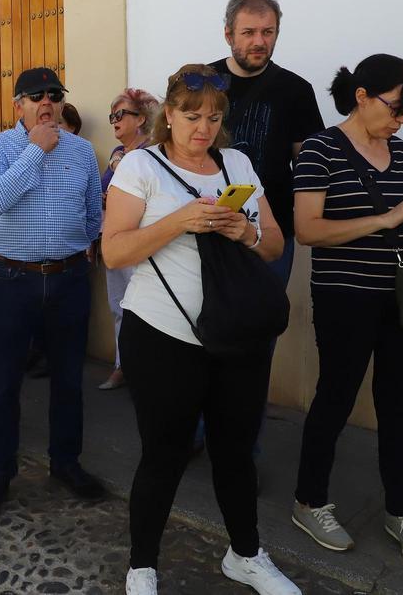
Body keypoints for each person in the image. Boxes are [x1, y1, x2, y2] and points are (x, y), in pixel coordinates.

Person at [102, 64, 298, 595]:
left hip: (236, 335)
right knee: (162, 456)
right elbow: (113, 249)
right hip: (163, 335)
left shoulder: (236, 163)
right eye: (191, 115)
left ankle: (246, 554)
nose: (203, 128)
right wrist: (177, 221)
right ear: (169, 114)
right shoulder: (140, 166)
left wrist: (245, 230)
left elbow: (276, 243)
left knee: (235, 452)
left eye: (213, 117)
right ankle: (142, 566)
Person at [292, 54, 403, 566]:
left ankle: (401, 510)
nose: (402, 119)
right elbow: (308, 230)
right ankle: (310, 500)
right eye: (397, 106)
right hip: (345, 296)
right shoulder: (320, 148)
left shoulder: (401, 151)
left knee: (397, 404)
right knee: (336, 398)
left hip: (399, 294)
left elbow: (400, 231)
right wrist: (386, 216)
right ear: (362, 96)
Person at [0, 66, 105, 517]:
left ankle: (66, 462)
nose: (45, 103)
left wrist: (78, 249)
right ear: (18, 106)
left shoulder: (84, 151)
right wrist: (34, 150)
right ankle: (0, 470)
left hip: (68, 279)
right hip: (11, 279)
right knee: (4, 381)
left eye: (53, 95)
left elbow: (93, 213)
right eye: (35, 96)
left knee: (69, 380)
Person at [209, 0, 324, 285]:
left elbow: (310, 167)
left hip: (271, 230)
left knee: (264, 320)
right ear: (228, 35)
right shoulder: (203, 82)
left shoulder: (296, 90)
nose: (259, 42)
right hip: (207, 226)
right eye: (248, 32)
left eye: (268, 32)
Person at [98, 87, 159, 391]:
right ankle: (123, 366)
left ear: (141, 118)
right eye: (112, 115)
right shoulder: (116, 154)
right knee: (118, 306)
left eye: (120, 114)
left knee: (141, 309)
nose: (114, 121)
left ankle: (143, 373)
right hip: (114, 238)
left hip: (139, 241)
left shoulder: (152, 153)